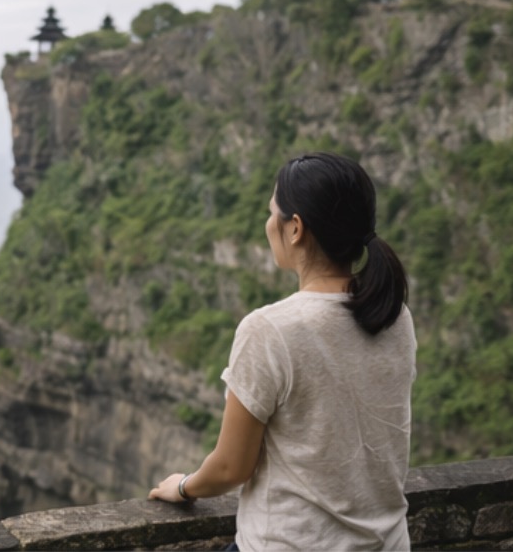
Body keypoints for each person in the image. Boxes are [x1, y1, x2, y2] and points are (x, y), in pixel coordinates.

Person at [149, 152, 416, 551]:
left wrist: (184, 486)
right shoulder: (395, 316)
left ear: (295, 228)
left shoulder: (270, 330)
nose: (267, 223)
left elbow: (230, 467)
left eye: (272, 212)